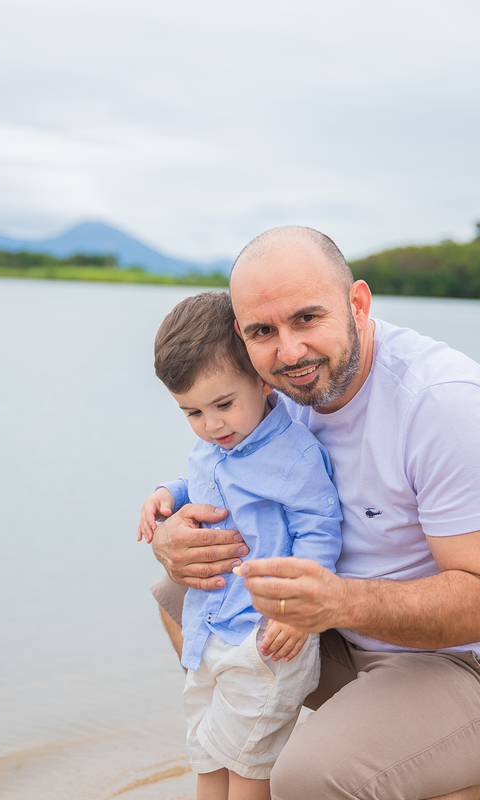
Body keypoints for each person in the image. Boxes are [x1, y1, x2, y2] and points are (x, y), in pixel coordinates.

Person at [149, 226, 480, 800]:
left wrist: (337, 599)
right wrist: (173, 536)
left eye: (307, 319)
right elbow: (225, 487)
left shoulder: (445, 407)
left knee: (307, 782)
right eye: (263, 331)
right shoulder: (279, 395)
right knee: (179, 598)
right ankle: (352, 748)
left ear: (357, 304)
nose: (289, 351)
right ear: (242, 336)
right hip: (361, 641)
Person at [138, 291, 343, 800]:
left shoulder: (294, 455)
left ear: (259, 376)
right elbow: (203, 480)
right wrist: (169, 493)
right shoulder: (215, 445)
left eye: (223, 405)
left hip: (267, 638)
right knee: (206, 752)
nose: (212, 425)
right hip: (210, 630)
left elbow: (321, 530)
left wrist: (299, 611)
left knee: (249, 769)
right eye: (192, 413)